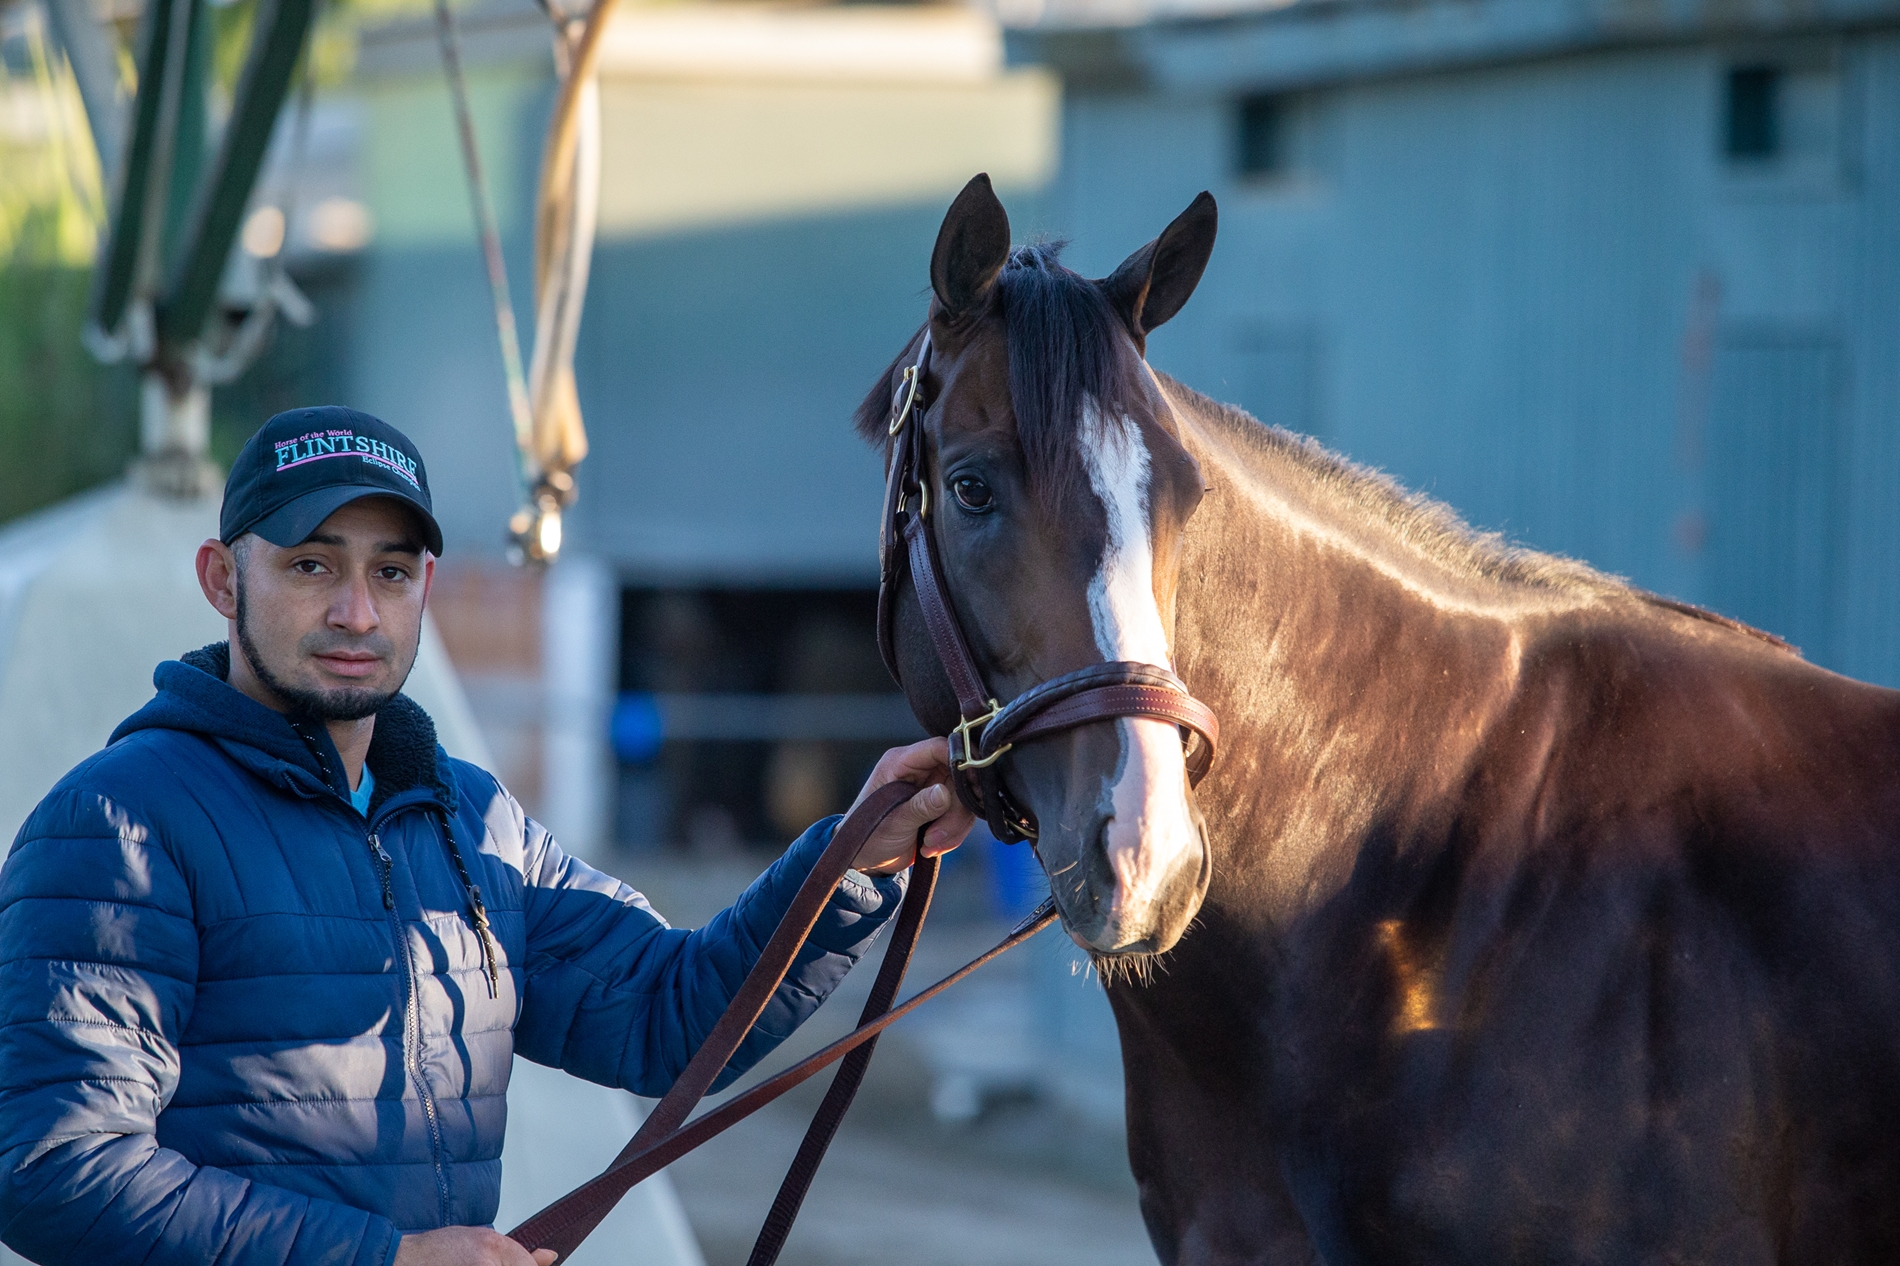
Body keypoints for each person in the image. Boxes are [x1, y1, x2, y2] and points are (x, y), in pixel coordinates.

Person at [0, 406, 972, 1266]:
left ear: (425, 585)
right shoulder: (118, 826)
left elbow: (665, 1021)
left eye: (388, 572)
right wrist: (385, 1260)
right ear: (222, 579)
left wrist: (854, 856)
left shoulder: (472, 821)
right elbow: (53, 1166)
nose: (355, 611)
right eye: (310, 565)